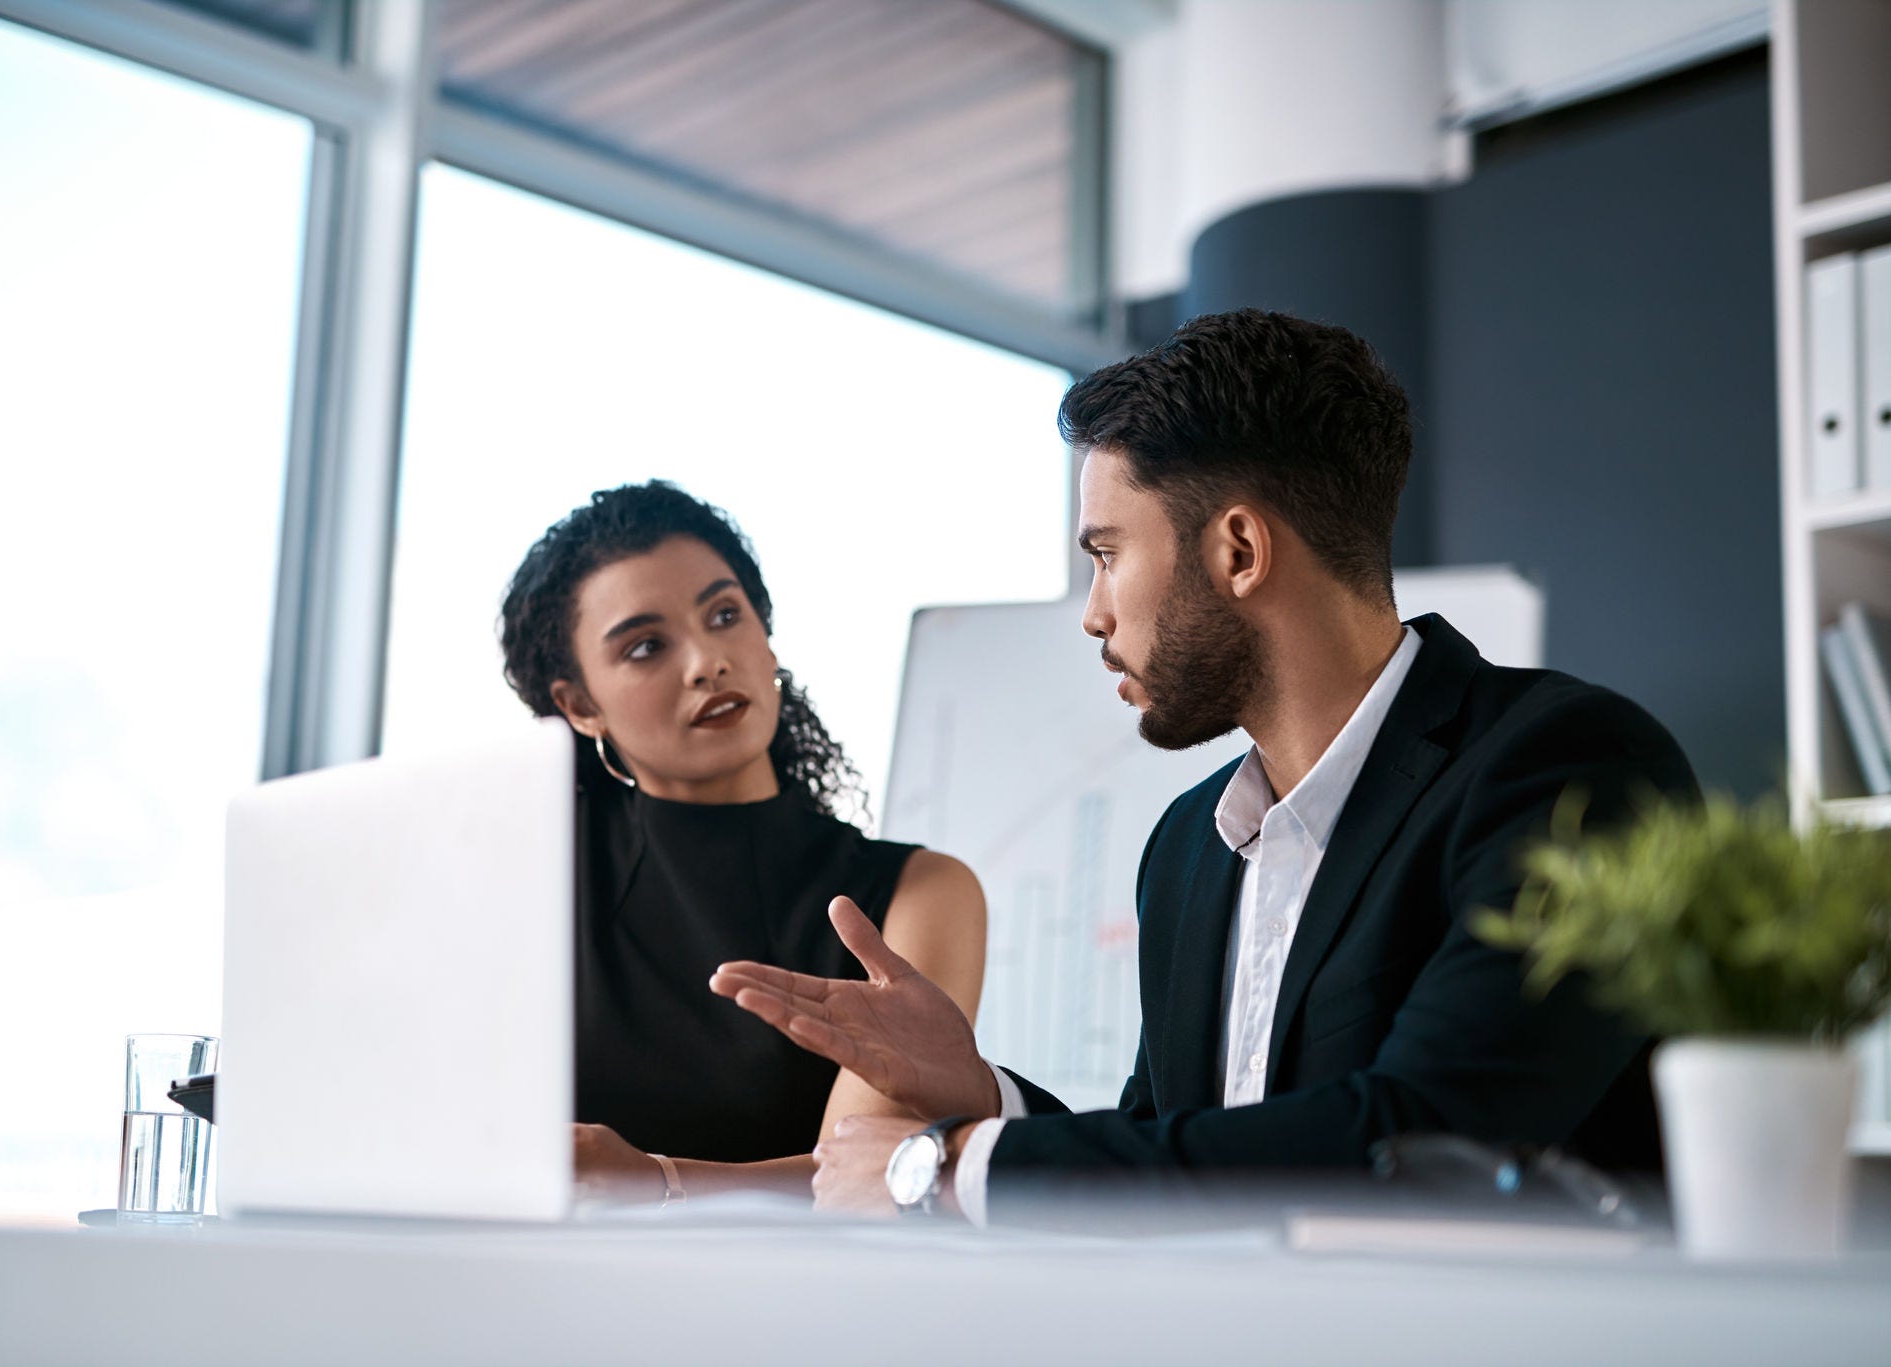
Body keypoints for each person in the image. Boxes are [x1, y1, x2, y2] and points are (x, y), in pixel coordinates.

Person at [712, 309, 1698, 1225]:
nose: (1093, 613)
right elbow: (1171, 1136)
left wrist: (956, 1169)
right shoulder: (1187, 846)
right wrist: (979, 1094)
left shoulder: (1565, 769)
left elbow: (1430, 1139)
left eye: (1105, 553)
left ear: (1235, 549)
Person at [498, 481, 985, 1204]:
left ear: (765, 633)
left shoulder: (920, 890)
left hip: (810, 1303)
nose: (706, 661)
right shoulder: (527, 885)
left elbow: (863, 1183)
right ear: (579, 705)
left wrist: (655, 1182)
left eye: (725, 615)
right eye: (645, 646)